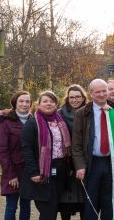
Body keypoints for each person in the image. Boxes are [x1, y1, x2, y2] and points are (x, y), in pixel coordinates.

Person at [21, 91, 72, 220]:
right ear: (39, 104)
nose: (48, 104)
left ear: (56, 104)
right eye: (45, 101)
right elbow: (26, 149)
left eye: (52, 101)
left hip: (60, 170)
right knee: (48, 210)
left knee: (55, 207)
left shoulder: (60, 121)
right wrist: (34, 172)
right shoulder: (32, 123)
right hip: (42, 172)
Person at [72, 79, 114, 220]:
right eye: (98, 92)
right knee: (90, 202)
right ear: (91, 93)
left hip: (112, 163)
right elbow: (77, 144)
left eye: (105, 91)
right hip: (92, 163)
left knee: (109, 202)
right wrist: (79, 166)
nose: (102, 94)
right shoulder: (82, 113)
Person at [0, 90, 32, 220]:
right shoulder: (5, 122)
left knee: (26, 205)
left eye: (27, 101)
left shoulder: (33, 120)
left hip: (28, 171)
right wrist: (11, 174)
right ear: (15, 103)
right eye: (21, 101)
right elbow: (1, 150)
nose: (24, 104)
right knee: (11, 206)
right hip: (13, 171)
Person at [57, 85, 88, 220]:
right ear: (67, 98)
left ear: (83, 97)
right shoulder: (60, 114)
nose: (75, 100)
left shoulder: (89, 111)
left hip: (84, 158)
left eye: (78, 97)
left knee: (84, 198)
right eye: (72, 97)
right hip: (67, 160)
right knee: (66, 200)